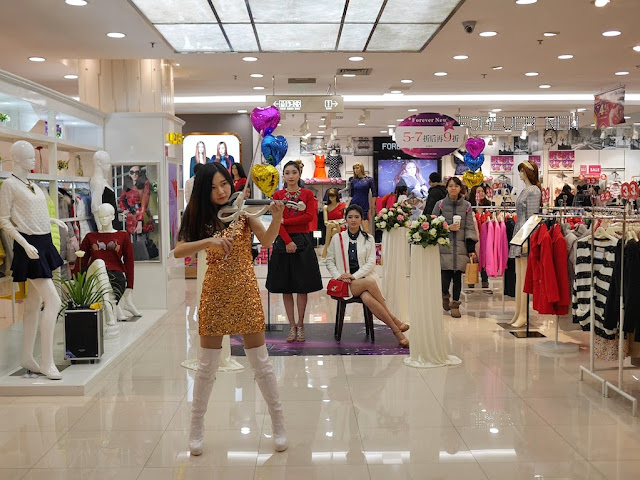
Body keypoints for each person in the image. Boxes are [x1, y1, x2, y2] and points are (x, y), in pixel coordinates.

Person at [174, 162, 287, 456]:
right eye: (213, 187)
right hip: (214, 293)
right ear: (203, 191)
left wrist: (277, 218)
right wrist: (208, 240)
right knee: (206, 366)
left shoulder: (243, 210)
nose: (221, 191)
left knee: (261, 363)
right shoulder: (197, 215)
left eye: (224, 183)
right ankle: (196, 426)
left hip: (246, 290)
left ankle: (278, 423)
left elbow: (266, 240)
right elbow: (178, 250)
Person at [325, 204, 409, 347]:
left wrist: (355, 276)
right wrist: (339, 276)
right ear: (345, 219)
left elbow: (371, 263)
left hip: (362, 281)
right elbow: (329, 261)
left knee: (368, 298)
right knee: (369, 283)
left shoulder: (368, 239)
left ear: (362, 219)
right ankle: (394, 320)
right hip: (345, 284)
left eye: (356, 217)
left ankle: (397, 331)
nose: (353, 220)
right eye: (350, 217)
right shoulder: (337, 238)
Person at [266, 161, 323, 342]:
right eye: (287, 173)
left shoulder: (307, 194)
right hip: (283, 241)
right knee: (286, 286)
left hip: (304, 241)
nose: (290, 176)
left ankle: (301, 324)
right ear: (283, 176)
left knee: (302, 286)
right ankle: (291, 326)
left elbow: (309, 217)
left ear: (299, 174)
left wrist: (285, 221)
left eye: (294, 172)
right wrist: (287, 238)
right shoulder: (278, 195)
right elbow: (276, 221)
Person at [433, 177, 478, 318]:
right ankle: (445, 295)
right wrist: (447, 227)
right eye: (450, 186)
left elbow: (470, 227)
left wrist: (471, 249)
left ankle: (455, 305)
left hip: (460, 247)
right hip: (444, 246)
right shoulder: (439, 204)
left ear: (460, 188)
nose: (453, 188)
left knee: (458, 276)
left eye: (456, 186)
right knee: (445, 277)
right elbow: (432, 224)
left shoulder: (467, 206)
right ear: (446, 188)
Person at [468, 184, 492, 290]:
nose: (481, 193)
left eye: (482, 191)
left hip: (485, 236)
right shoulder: (470, 207)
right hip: (474, 236)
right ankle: (471, 280)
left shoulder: (488, 206)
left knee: (484, 257)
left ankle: (485, 281)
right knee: (473, 257)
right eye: (478, 191)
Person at [118, 166, 154, 236]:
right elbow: (121, 200)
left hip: (142, 214)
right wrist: (125, 210)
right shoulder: (127, 185)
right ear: (129, 174)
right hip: (131, 216)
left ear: (140, 173)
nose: (134, 174)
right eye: (132, 172)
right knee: (133, 238)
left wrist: (140, 221)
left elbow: (144, 203)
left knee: (143, 239)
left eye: (137, 172)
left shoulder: (145, 184)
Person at [348, 162, 376, 233]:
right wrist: (347, 206)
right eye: (354, 168)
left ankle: (369, 243)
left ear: (361, 168)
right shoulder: (352, 180)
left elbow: (374, 194)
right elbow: (351, 195)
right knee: (353, 228)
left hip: (364, 205)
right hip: (353, 204)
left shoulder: (369, 180)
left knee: (365, 229)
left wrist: (373, 207)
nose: (355, 170)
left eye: (357, 168)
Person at [322, 187, 346, 259]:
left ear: (336, 196)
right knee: (332, 228)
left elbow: (350, 214)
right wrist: (333, 221)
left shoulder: (342, 205)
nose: (331, 198)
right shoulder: (326, 207)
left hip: (341, 225)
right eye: (330, 196)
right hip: (332, 226)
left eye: (333, 195)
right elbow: (326, 222)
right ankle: (332, 252)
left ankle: (325, 250)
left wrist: (339, 222)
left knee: (333, 227)